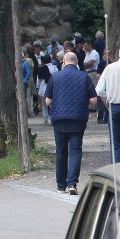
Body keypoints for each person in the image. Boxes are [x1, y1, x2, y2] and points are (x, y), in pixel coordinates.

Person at [43, 51, 93, 194]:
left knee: (61, 152)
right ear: (76, 62)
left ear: (63, 62)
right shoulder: (84, 77)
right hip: (78, 119)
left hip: (59, 119)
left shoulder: (55, 77)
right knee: (75, 151)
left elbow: (47, 101)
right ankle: (72, 184)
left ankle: (60, 185)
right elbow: (93, 99)